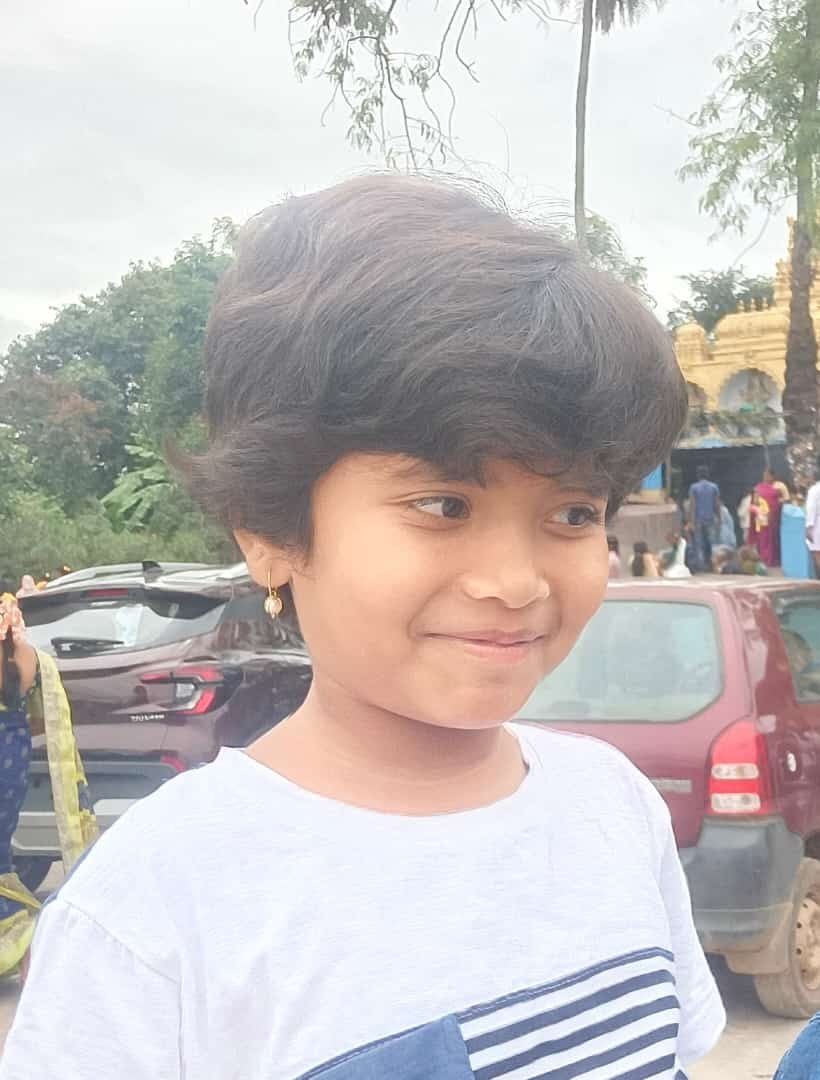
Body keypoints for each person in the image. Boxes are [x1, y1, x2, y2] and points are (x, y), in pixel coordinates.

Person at [1, 176, 724, 1078]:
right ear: (270, 531)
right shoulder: (156, 906)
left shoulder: (612, 806)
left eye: (574, 513)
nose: (515, 583)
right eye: (443, 504)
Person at [0, 594, 97, 978]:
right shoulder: (29, 659)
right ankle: (26, 953)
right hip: (12, 756)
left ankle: (23, 945)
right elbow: (38, 716)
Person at [688, 465, 721, 572]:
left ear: (698, 475)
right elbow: (717, 504)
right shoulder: (714, 487)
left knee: (699, 542)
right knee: (711, 542)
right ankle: (712, 565)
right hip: (710, 518)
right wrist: (719, 518)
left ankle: (700, 566)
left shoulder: (694, 487)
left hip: (698, 519)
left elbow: (692, 505)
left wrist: (690, 521)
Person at [748, 468, 783, 567]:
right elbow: (754, 502)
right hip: (761, 518)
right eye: (764, 475)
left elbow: (779, 503)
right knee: (762, 539)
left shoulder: (777, 488)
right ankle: (763, 559)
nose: (765, 477)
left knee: (772, 540)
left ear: (772, 477)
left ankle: (772, 559)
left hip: (772, 519)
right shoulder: (758, 488)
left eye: (767, 475)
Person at [805, 469, 820, 576]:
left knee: (817, 552)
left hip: (817, 523)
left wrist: (809, 526)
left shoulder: (814, 490)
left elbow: (811, 508)